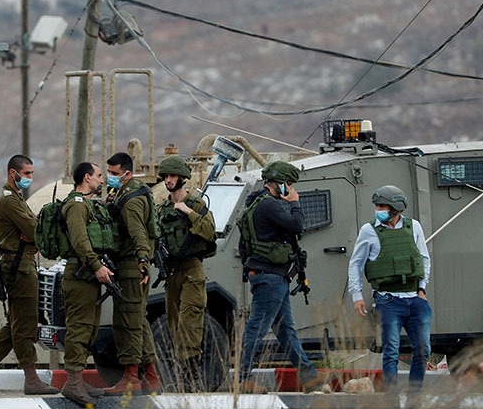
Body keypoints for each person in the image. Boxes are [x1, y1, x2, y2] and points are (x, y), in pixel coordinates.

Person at [236, 161, 337, 394]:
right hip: (269, 276)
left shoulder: (256, 203)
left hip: (269, 275)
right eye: (288, 184)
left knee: (285, 329)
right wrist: (295, 203)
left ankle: (309, 376)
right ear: (279, 182)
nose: (290, 188)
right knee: (257, 328)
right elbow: (297, 226)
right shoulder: (269, 205)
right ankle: (242, 379)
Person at [0, 154, 59, 396]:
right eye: (26, 173)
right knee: (25, 324)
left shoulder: (16, 198)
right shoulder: (8, 200)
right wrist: (33, 233)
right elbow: (34, 229)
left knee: (17, 322)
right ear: (12, 173)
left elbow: (33, 228)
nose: (29, 178)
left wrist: (33, 232)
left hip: (21, 264)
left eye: (31, 174)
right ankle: (31, 378)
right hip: (19, 267)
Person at [348, 185, 432, 393]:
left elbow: (423, 258)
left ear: (395, 208)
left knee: (423, 351)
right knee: (391, 352)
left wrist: (422, 289)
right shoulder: (369, 230)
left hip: (415, 299)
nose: (378, 210)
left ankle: (414, 399)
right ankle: (392, 400)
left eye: (382, 206)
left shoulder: (414, 227)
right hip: (388, 301)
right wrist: (357, 296)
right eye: (377, 206)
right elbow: (356, 264)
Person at [102, 152, 162, 395]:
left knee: (127, 322)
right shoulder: (129, 191)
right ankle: (151, 376)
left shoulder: (131, 200)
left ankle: (130, 378)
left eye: (114, 174)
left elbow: (138, 233)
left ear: (127, 173)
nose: (110, 178)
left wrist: (142, 261)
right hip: (129, 265)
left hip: (130, 267)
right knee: (138, 320)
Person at [155, 155, 216, 392]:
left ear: (182, 178)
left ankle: (193, 379)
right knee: (174, 326)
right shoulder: (162, 207)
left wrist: (188, 211)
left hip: (192, 270)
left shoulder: (197, 204)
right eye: (165, 177)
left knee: (190, 325)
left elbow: (210, 231)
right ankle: (180, 378)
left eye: (172, 176)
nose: (168, 180)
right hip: (172, 273)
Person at [59, 162, 113, 407]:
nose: (102, 181)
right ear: (87, 178)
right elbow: (81, 242)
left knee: (89, 328)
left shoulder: (87, 205)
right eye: (99, 176)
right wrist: (97, 265)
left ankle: (78, 380)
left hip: (88, 275)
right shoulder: (76, 206)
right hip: (81, 274)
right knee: (79, 328)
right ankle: (72, 383)